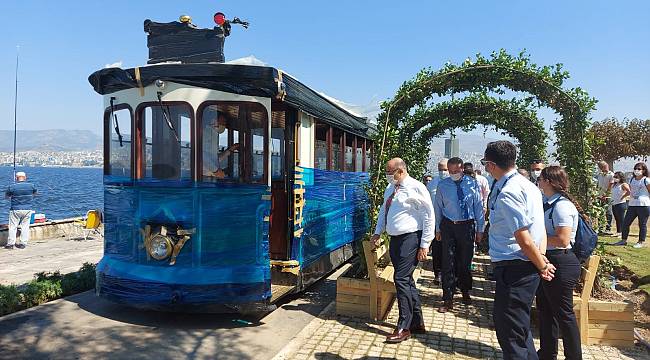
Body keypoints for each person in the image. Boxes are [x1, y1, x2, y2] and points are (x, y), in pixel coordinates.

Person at [481, 140, 555, 359]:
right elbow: (538, 227)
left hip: (515, 267)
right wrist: (540, 259)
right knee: (519, 329)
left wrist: (542, 264)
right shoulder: (527, 186)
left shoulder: (509, 192)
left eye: (486, 163)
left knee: (510, 331)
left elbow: (523, 236)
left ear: (492, 165)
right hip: (524, 264)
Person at [372, 158, 435, 343]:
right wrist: (377, 232)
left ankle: (404, 326)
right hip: (395, 239)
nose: (388, 176)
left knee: (400, 279)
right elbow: (384, 211)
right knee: (406, 281)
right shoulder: (390, 189)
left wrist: (425, 244)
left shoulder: (416, 187)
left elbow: (428, 216)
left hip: (411, 238)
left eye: (390, 173)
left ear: (400, 171)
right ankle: (417, 322)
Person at [536, 166, 583, 360]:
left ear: (548, 181)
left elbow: (563, 239)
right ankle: (547, 353)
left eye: (540, 178)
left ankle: (573, 356)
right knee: (545, 310)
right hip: (548, 259)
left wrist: (537, 239)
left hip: (561, 262)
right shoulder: (547, 202)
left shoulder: (562, 206)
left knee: (564, 314)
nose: (538, 181)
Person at [434, 157, 484, 312]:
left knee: (464, 261)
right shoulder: (443, 185)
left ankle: (465, 290)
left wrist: (480, 229)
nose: (454, 174)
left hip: (467, 226)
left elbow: (478, 207)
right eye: (451, 171)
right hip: (449, 225)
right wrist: (438, 228)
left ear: (462, 169)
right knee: (447, 262)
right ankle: (447, 298)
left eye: (457, 171)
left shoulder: (472, 183)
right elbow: (438, 208)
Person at [617, 162, 650, 248]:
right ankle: (623, 240)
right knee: (626, 222)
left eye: (639, 169)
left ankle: (640, 241)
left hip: (644, 205)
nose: (637, 170)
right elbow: (630, 191)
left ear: (643, 170)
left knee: (642, 224)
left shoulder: (646, 180)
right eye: (635, 169)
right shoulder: (632, 179)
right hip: (632, 204)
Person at [426, 158, 449, 285]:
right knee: (437, 249)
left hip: (450, 222)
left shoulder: (454, 183)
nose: (443, 172)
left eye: (445, 169)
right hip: (435, 221)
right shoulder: (432, 184)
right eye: (440, 169)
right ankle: (438, 273)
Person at [202, 110, 240, 179]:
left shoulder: (214, 134)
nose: (224, 125)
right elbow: (200, 155)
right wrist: (216, 170)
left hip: (211, 176)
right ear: (214, 121)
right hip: (204, 177)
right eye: (223, 122)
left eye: (225, 123)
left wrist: (230, 150)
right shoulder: (206, 133)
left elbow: (215, 159)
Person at [4, 172, 37, 249]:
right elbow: (35, 194)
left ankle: (11, 244)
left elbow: (6, 197)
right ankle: (23, 243)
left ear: (16, 178)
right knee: (25, 226)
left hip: (15, 209)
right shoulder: (31, 186)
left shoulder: (12, 186)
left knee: (13, 227)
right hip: (27, 209)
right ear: (25, 177)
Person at [596, 161, 614, 234]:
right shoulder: (599, 175)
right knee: (600, 212)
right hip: (600, 196)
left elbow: (610, 185)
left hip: (607, 196)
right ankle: (600, 227)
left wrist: (605, 195)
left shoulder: (611, 175)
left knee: (608, 212)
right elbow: (598, 185)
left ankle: (608, 228)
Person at [611, 171, 630, 237]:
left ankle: (623, 233)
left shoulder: (623, 184)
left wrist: (623, 197)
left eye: (616, 177)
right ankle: (618, 231)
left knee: (621, 219)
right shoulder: (615, 185)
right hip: (614, 203)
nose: (615, 178)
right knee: (617, 218)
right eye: (614, 177)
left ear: (620, 177)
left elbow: (629, 191)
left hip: (621, 204)